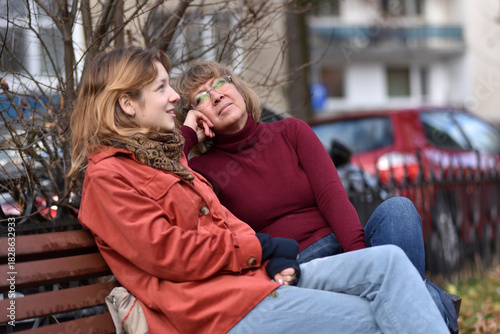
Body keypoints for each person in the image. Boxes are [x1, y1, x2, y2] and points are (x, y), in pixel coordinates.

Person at [68, 46, 449, 333]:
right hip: (222, 307)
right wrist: (265, 249)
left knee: (390, 264)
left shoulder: (159, 159)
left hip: (258, 279)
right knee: (382, 315)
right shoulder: (110, 178)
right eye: (164, 88)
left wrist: (269, 259)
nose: (173, 98)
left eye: (220, 84)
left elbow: (226, 223)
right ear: (126, 104)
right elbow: (172, 254)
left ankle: (428, 302)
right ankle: (435, 306)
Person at [174, 61, 459, 333]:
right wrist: (186, 135)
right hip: (293, 268)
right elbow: (170, 184)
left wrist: (361, 262)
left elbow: (332, 197)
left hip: (339, 246)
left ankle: (409, 296)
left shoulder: (291, 131)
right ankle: (430, 304)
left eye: (220, 84)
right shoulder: (202, 170)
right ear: (199, 117)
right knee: (414, 298)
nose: (215, 96)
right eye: (200, 98)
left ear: (238, 88)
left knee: (399, 209)